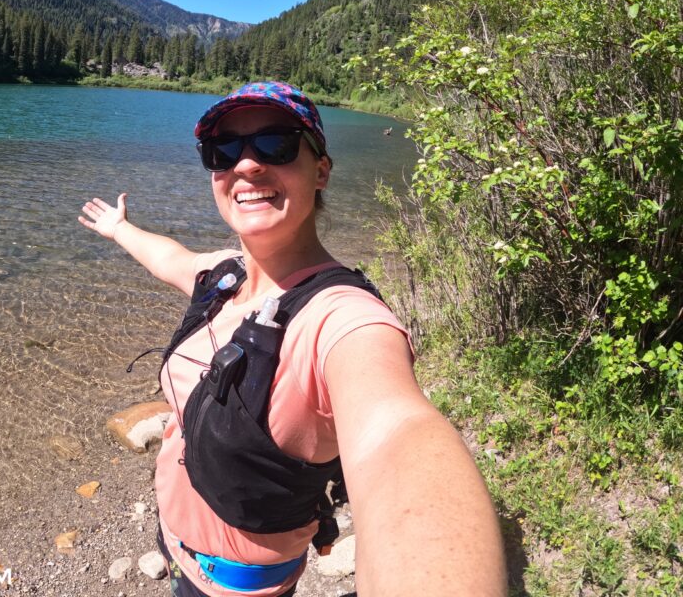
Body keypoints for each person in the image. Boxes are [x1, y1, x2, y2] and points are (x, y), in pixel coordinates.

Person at [78, 82, 506, 596]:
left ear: (321, 170)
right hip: (175, 547)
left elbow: (400, 437)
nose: (247, 165)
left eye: (275, 144)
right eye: (224, 150)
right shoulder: (222, 275)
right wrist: (120, 229)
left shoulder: (343, 320)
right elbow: (172, 259)